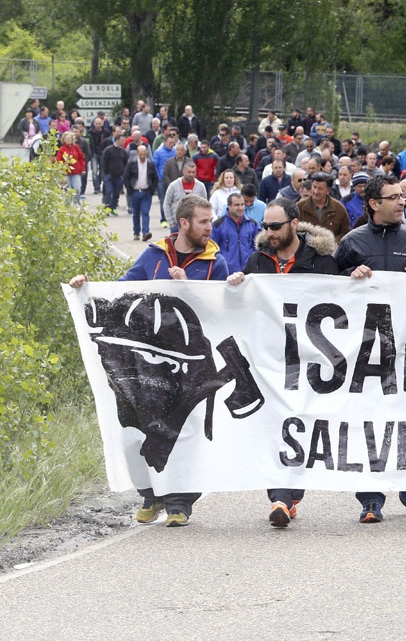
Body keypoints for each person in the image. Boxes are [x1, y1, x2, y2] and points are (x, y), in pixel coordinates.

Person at [68, 196, 227, 528]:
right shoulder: (154, 255)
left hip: (188, 365)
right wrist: (86, 289)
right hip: (143, 365)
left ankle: (179, 501)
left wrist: (190, 289)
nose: (210, 228)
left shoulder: (216, 263)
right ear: (184, 223)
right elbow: (124, 289)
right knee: (136, 432)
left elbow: (222, 312)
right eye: (203, 222)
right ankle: (150, 494)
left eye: (210, 221)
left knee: (185, 434)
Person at [334, 175, 406, 523]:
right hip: (365, 350)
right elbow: (325, 291)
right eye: (393, 198)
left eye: (403, 197)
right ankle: (370, 500)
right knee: (367, 423)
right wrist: (350, 272)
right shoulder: (351, 243)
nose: (402, 203)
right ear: (373, 203)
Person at [227, 198, 338, 526]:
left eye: (275, 226)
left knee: (302, 427)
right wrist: (236, 287)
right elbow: (241, 307)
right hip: (269, 363)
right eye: (265, 227)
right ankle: (279, 497)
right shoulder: (257, 262)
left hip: (311, 363)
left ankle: (292, 494)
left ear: (294, 223)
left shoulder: (322, 262)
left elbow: (343, 305)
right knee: (272, 427)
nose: (269, 233)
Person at [210, 192, 258, 271]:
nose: (240, 208)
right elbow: (213, 251)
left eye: (242, 204)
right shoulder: (217, 226)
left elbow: (257, 248)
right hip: (227, 272)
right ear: (229, 206)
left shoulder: (253, 225)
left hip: (249, 272)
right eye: (237, 205)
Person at [298, 172, 351, 240]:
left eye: (320, 188)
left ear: (328, 191)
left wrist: (333, 243)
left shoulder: (339, 209)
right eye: (314, 187)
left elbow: (345, 232)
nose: (316, 191)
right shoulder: (300, 207)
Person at [123, 144, 159, 242]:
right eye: (141, 154)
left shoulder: (150, 164)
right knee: (136, 213)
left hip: (146, 191)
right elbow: (126, 177)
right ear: (137, 154)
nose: (143, 157)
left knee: (145, 212)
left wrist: (152, 190)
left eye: (144, 154)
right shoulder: (132, 163)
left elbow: (155, 178)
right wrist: (129, 189)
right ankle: (136, 232)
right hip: (135, 191)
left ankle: (145, 232)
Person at [164, 161, 208, 229]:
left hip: (195, 225)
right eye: (189, 172)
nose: (191, 174)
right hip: (177, 225)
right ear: (183, 171)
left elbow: (205, 205)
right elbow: (166, 204)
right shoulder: (173, 185)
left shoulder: (201, 186)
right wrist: (171, 222)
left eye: (193, 172)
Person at [100, 128, 128, 214]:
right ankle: (106, 208)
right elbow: (104, 161)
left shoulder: (123, 151)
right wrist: (105, 173)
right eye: (122, 140)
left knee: (116, 193)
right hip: (109, 175)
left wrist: (123, 173)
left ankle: (113, 207)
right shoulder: (108, 150)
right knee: (108, 191)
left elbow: (125, 163)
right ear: (117, 140)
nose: (124, 142)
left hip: (119, 176)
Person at [56, 131, 87, 203]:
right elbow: (59, 160)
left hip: (76, 172)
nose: (69, 140)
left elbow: (81, 158)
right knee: (68, 189)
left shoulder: (76, 147)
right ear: (64, 140)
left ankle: (76, 202)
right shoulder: (62, 149)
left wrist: (83, 169)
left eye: (70, 138)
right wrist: (61, 169)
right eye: (67, 138)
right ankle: (68, 204)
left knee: (77, 188)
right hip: (66, 172)